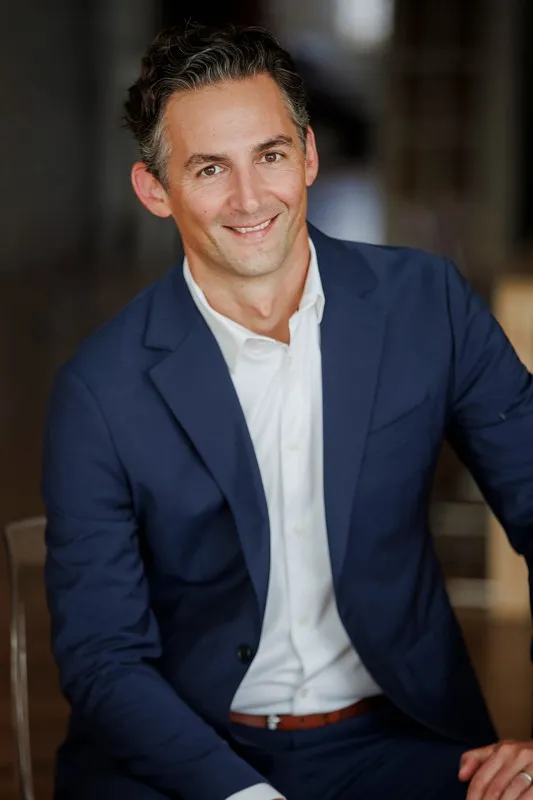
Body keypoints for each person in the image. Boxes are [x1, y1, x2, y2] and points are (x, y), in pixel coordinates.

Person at [42, 23, 533, 800]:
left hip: (399, 740)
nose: (248, 199)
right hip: (187, 761)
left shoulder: (425, 304)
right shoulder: (99, 389)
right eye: (209, 169)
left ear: (306, 156)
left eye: (269, 156)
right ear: (154, 191)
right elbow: (105, 660)